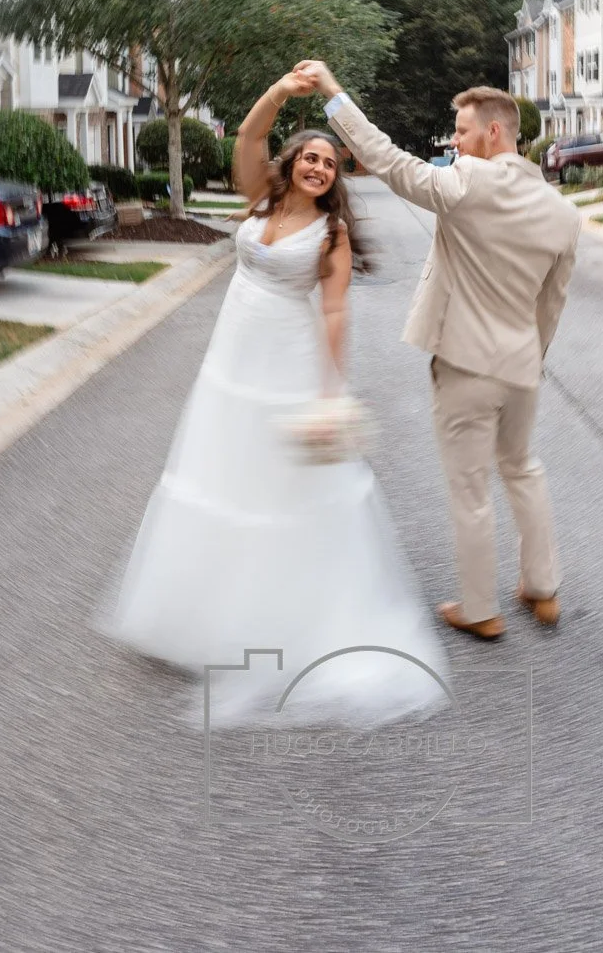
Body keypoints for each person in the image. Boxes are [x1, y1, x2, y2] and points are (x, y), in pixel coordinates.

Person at [101, 71, 448, 726]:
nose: (319, 167)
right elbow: (250, 131)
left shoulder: (330, 234)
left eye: (329, 163)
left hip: (286, 369)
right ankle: (200, 614)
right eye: (310, 156)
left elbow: (336, 313)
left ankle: (277, 621)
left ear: (335, 178)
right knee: (217, 477)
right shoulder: (259, 195)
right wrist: (285, 90)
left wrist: (329, 394)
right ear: (291, 164)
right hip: (231, 364)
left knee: (283, 493)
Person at [295, 62, 581, 642]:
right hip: (523, 366)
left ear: (494, 133)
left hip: (466, 366)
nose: (454, 141)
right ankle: (542, 588)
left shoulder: (466, 184)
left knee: (471, 488)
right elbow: (552, 304)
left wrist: (332, 94)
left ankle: (480, 609)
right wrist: (531, 354)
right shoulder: (563, 212)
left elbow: (386, 159)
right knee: (523, 468)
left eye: (461, 130)